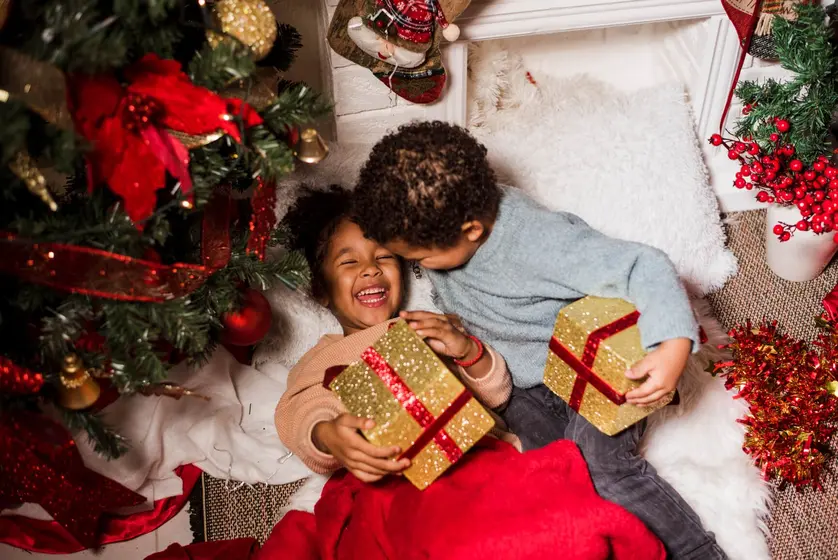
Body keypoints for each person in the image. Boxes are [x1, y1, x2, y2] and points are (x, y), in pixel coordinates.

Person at [351, 121, 726, 560]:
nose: (419, 267)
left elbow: (644, 265)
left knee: (603, 468)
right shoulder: (444, 224)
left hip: (588, 364)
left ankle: (698, 552)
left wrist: (673, 345)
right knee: (548, 477)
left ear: (471, 230)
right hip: (522, 384)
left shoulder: (538, 240)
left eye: (420, 259)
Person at [270, 185, 665, 560]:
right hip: (392, 483)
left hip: (475, 463)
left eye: (384, 257)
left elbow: (496, 394)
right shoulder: (325, 357)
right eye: (349, 262)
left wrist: (466, 350)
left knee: (555, 524)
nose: (371, 270)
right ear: (321, 291)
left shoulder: (425, 326)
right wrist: (328, 436)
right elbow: (298, 413)